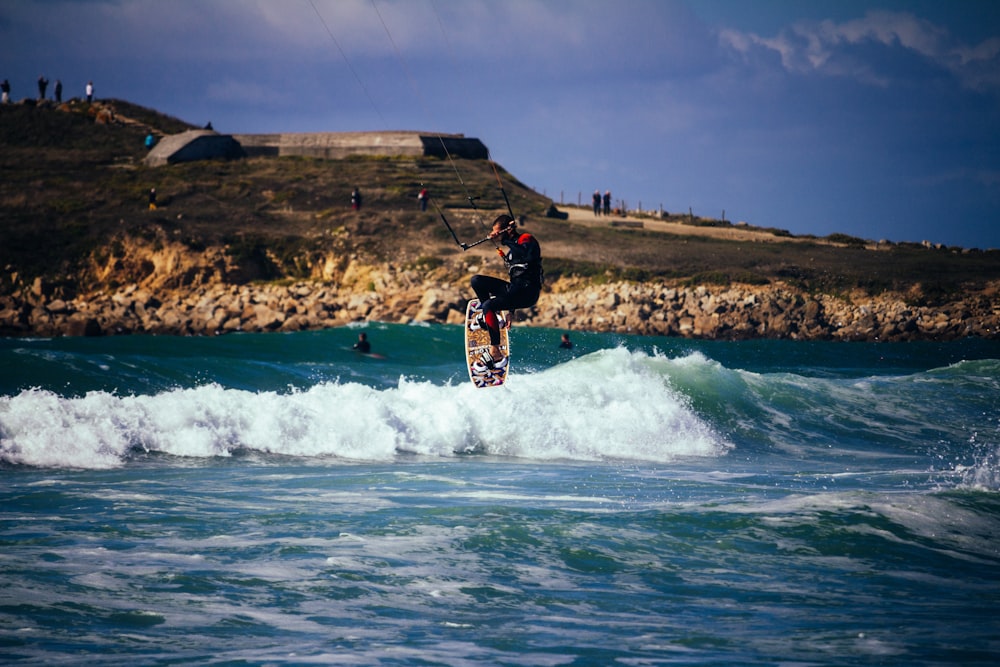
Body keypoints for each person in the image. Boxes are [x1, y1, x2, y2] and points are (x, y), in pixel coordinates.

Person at [470, 214, 543, 366]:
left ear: (507, 229)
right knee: (477, 281)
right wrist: (510, 311)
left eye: (497, 231)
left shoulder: (526, 239)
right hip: (516, 289)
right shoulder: (510, 252)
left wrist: (505, 240)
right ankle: (493, 317)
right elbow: (514, 282)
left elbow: (525, 254)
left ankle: (495, 352)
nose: (494, 234)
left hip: (529, 292)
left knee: (488, 305)